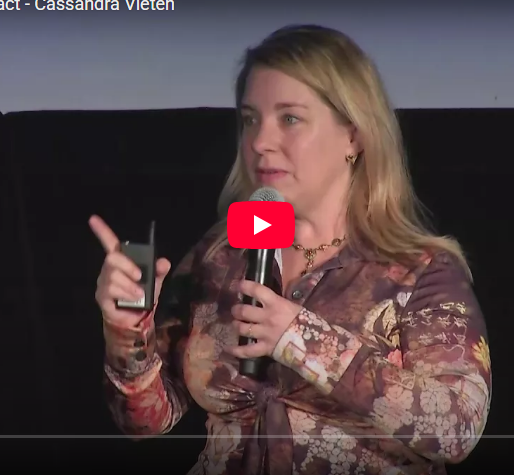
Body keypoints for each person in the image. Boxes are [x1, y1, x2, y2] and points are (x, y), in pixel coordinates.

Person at [90, 24, 492, 475]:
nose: (260, 142)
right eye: (250, 119)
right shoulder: (220, 255)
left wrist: (300, 337)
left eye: (290, 119)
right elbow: (145, 420)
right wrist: (127, 331)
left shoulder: (420, 272)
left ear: (354, 135)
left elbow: (456, 428)